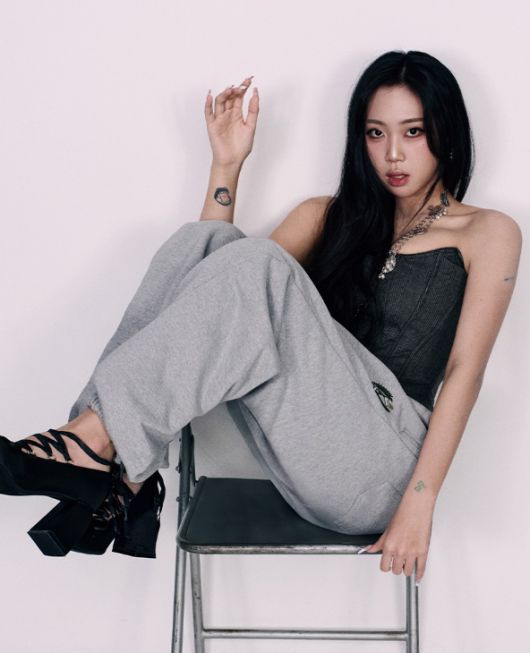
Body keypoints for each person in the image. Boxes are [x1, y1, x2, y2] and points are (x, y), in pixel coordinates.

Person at [0, 50, 521, 583]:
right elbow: (211, 286)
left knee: (259, 261)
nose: (392, 153)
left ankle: (103, 454)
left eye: (413, 132)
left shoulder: (487, 232)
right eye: (375, 133)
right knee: (205, 244)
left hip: (388, 465)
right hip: (308, 463)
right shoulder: (326, 216)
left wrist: (420, 503)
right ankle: (109, 453)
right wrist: (226, 166)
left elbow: (465, 373)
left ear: (446, 132)